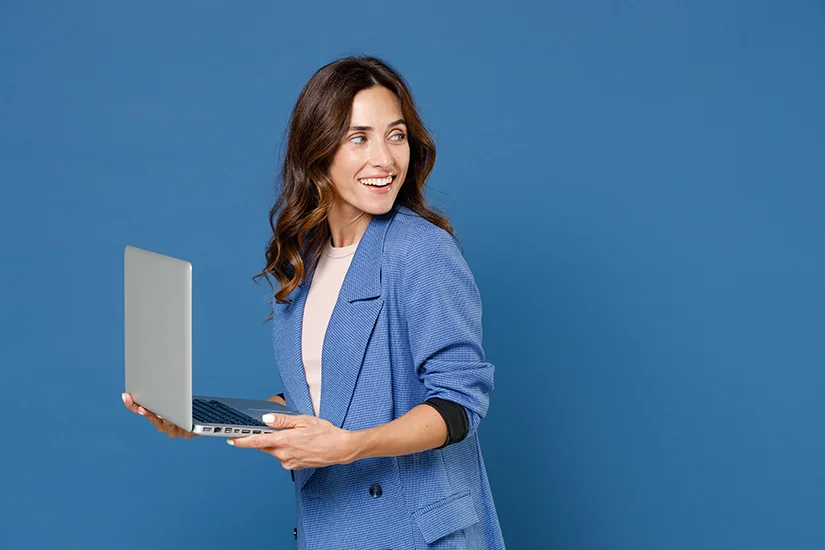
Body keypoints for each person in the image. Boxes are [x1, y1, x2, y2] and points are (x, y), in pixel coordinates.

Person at [123, 56, 505, 549]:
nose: (385, 160)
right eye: (359, 138)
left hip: (414, 533)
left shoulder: (421, 249)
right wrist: (202, 418)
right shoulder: (307, 255)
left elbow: (460, 402)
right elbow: (322, 401)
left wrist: (348, 447)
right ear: (318, 151)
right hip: (333, 527)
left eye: (396, 135)